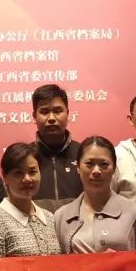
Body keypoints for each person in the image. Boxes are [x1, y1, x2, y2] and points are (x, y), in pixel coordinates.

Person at [55, 135, 136, 253]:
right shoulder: (62, 217)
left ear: (114, 168)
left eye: (104, 164)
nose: (96, 171)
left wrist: (122, 261)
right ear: (78, 167)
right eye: (89, 164)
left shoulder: (135, 212)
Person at [0, 142, 61, 257]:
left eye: (32, 172)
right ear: (4, 177)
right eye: (18, 173)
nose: (27, 179)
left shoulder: (49, 218)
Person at [31, 83, 83, 213]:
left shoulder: (83, 154)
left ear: (68, 113)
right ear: (34, 116)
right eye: (44, 111)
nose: (51, 118)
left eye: (58, 111)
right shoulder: (25, 157)